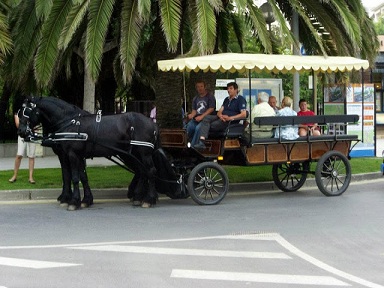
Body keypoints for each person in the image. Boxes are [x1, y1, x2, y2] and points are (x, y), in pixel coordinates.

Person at [195, 82, 247, 149]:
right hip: (221, 117)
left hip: (230, 121)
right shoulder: (226, 99)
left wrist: (230, 118)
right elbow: (220, 111)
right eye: (228, 89)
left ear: (236, 90)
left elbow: (244, 114)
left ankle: (207, 143)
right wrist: (221, 116)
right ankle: (202, 141)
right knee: (206, 117)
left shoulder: (240, 99)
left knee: (212, 125)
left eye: (231, 88)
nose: (228, 90)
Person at [8, 108, 36, 184]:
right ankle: (15, 175)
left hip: (32, 135)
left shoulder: (31, 111)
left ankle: (30, 177)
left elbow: (35, 122)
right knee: (19, 155)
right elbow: (18, 125)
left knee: (31, 156)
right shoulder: (18, 112)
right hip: (22, 135)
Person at [185, 80, 216, 146]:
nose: (200, 88)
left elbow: (211, 109)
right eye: (198, 87)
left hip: (206, 120)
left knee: (198, 128)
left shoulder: (210, 97)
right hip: (196, 119)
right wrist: (192, 115)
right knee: (189, 126)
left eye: (201, 86)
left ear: (205, 87)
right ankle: (186, 144)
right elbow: (194, 110)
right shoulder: (195, 98)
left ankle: (195, 146)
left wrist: (202, 117)